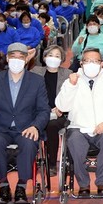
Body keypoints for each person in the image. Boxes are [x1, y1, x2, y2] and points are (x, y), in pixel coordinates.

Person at [0, 42, 50, 204]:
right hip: (0, 127)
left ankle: (21, 186)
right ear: (7, 59)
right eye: (13, 57)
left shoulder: (37, 81)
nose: (17, 60)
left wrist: (35, 126)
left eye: (21, 57)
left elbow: (43, 110)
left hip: (26, 127)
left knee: (29, 142)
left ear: (26, 60)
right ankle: (3, 185)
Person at [56, 48, 103, 197]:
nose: (91, 64)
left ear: (101, 64)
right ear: (81, 63)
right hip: (78, 128)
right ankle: (83, 184)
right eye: (87, 61)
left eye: (95, 61)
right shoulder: (71, 81)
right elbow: (62, 106)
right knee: (74, 141)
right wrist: (71, 86)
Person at [30, 45, 71, 177]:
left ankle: (51, 164)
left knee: (51, 125)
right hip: (40, 112)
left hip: (61, 114)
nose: (53, 58)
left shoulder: (68, 74)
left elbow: (72, 95)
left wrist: (62, 108)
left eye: (57, 56)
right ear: (45, 57)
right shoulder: (36, 71)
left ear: (62, 59)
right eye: (50, 55)